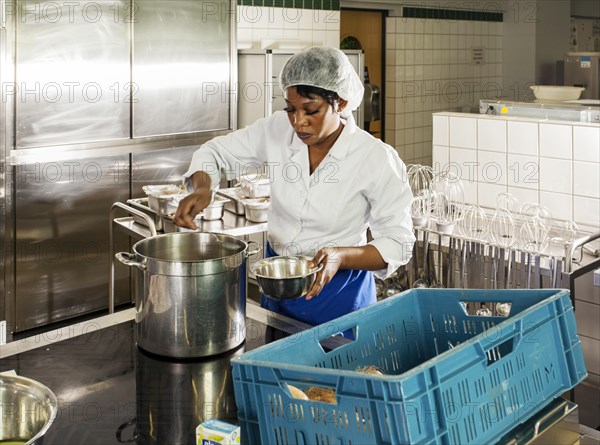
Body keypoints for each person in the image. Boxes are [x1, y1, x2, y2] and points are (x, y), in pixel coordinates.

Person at [174, 46, 415, 336]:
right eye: (291, 109)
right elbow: (214, 153)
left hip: (339, 295)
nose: (298, 121)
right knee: (278, 374)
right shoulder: (277, 130)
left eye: (311, 111)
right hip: (279, 288)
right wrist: (203, 188)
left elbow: (399, 242)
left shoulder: (375, 158)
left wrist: (342, 255)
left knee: (334, 376)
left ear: (340, 103)